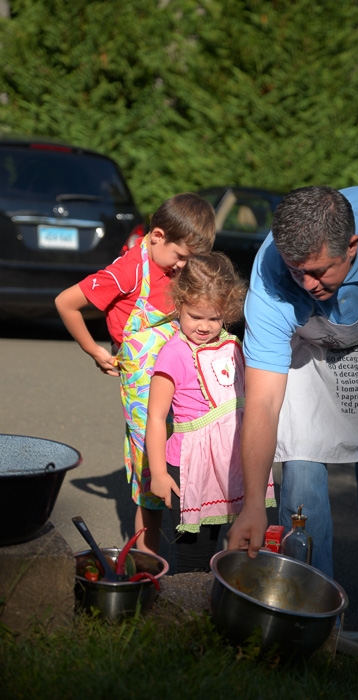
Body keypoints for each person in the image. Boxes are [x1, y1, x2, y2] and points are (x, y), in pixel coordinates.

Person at [227, 185, 358, 653]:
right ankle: (313, 619)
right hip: (307, 354)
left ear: (353, 246)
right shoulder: (269, 280)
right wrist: (250, 508)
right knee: (302, 487)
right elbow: (263, 404)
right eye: (296, 272)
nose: (306, 284)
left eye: (318, 272)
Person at [55, 193, 216, 555]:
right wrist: (94, 350)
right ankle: (148, 563)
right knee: (150, 471)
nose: (181, 267)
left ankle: (195, 552)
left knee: (191, 455)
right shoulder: (129, 270)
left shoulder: (172, 262)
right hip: (143, 387)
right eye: (180, 257)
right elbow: (65, 302)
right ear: (157, 236)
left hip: (179, 374)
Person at [146, 252, 276, 573]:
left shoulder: (233, 345)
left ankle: (220, 609)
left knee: (234, 543)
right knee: (194, 552)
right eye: (195, 316)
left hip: (231, 460)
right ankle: (189, 616)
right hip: (191, 466)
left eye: (214, 318)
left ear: (228, 313)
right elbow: (155, 418)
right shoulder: (173, 354)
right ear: (179, 306)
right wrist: (159, 473)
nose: (204, 327)